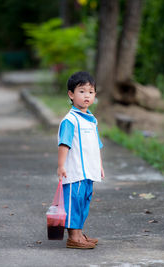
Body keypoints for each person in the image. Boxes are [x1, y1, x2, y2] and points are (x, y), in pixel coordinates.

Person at [57, 71, 105, 249]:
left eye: (91, 92)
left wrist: (99, 166)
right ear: (71, 94)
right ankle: (73, 238)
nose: (87, 96)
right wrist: (61, 166)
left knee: (84, 202)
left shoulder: (92, 120)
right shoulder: (70, 120)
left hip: (88, 173)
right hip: (75, 172)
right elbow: (64, 144)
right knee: (74, 203)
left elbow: (96, 145)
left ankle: (79, 234)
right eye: (82, 91)